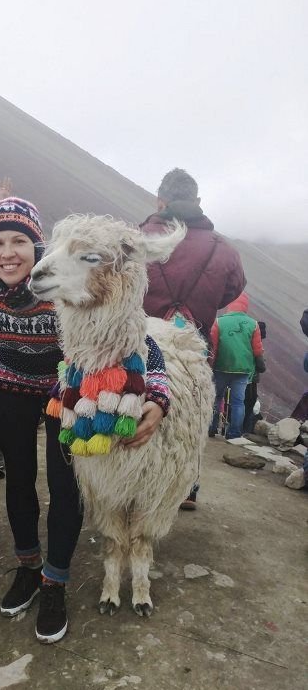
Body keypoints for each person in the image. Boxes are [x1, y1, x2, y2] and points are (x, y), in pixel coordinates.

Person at [0, 196, 170, 644]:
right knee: (21, 481)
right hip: (12, 393)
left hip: (65, 395)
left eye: (20, 241)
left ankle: (55, 582)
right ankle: (28, 567)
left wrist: (158, 397)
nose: (8, 253)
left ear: (38, 246)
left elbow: (139, 343)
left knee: (66, 488)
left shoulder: (63, 287)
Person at [140, 168, 246, 509]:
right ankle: (187, 487)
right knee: (193, 418)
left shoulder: (138, 238)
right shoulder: (224, 250)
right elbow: (233, 288)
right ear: (197, 202)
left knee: (138, 411)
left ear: (160, 200)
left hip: (142, 345)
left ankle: (136, 483)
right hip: (193, 350)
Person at [209, 293, 265, 440]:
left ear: (230, 304)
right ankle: (234, 434)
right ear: (245, 306)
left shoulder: (219, 322)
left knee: (216, 398)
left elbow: (213, 347)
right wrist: (260, 365)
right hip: (242, 370)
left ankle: (211, 427)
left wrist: (210, 365)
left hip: (221, 367)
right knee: (238, 402)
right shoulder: (253, 324)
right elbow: (257, 350)